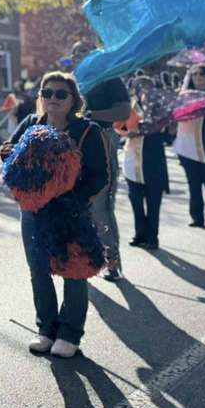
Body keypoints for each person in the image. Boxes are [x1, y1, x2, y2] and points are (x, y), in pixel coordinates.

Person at [3, 71, 109, 359]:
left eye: (60, 93)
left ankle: (70, 332)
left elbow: (100, 175)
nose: (53, 98)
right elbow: (9, 156)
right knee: (38, 270)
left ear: (73, 99)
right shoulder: (30, 124)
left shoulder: (88, 131)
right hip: (33, 212)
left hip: (69, 214)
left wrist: (73, 200)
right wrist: (11, 155)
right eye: (47, 93)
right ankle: (46, 329)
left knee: (73, 272)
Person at [70, 41, 130, 281]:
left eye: (84, 52)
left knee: (100, 206)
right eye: (75, 53)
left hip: (101, 140)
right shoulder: (70, 82)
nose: (78, 56)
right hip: (71, 144)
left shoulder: (110, 78)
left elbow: (124, 111)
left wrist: (90, 115)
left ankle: (111, 262)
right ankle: (78, 260)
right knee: (72, 205)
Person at [115, 88, 169, 250]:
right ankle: (140, 234)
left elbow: (167, 135)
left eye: (148, 88)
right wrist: (127, 132)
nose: (144, 92)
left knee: (153, 203)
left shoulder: (160, 112)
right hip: (132, 161)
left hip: (153, 164)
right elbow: (119, 127)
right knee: (136, 201)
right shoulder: (129, 108)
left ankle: (152, 237)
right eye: (140, 88)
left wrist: (160, 127)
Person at [174, 65, 205, 229]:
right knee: (194, 185)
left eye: (201, 74)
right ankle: (197, 217)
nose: (198, 77)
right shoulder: (184, 96)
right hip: (188, 147)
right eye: (194, 74)